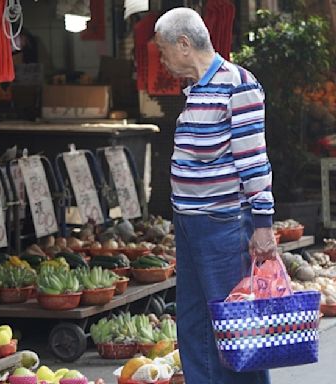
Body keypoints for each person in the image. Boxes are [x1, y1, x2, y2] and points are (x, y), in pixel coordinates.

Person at [154, 8, 277, 384]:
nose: (162, 59)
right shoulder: (196, 90)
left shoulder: (237, 84)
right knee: (194, 322)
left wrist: (263, 225)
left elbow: (254, 160)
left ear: (184, 44)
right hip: (190, 225)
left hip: (222, 225)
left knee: (234, 326)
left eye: (163, 51)